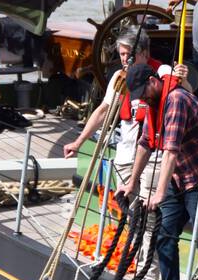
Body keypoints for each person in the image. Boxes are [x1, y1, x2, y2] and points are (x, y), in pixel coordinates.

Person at [121, 64, 198, 280]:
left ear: (153, 81)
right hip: (178, 176)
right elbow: (146, 143)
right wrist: (131, 182)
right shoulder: (152, 105)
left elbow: (170, 150)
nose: (143, 98)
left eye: (143, 92)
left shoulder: (176, 99)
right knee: (164, 233)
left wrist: (158, 193)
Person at [62, 31, 160, 197]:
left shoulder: (160, 75)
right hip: (126, 156)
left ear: (145, 53)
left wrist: (184, 80)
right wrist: (78, 143)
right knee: (127, 210)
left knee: (148, 214)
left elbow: (183, 94)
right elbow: (103, 111)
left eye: (130, 54)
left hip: (152, 159)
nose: (125, 59)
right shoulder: (119, 78)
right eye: (122, 54)